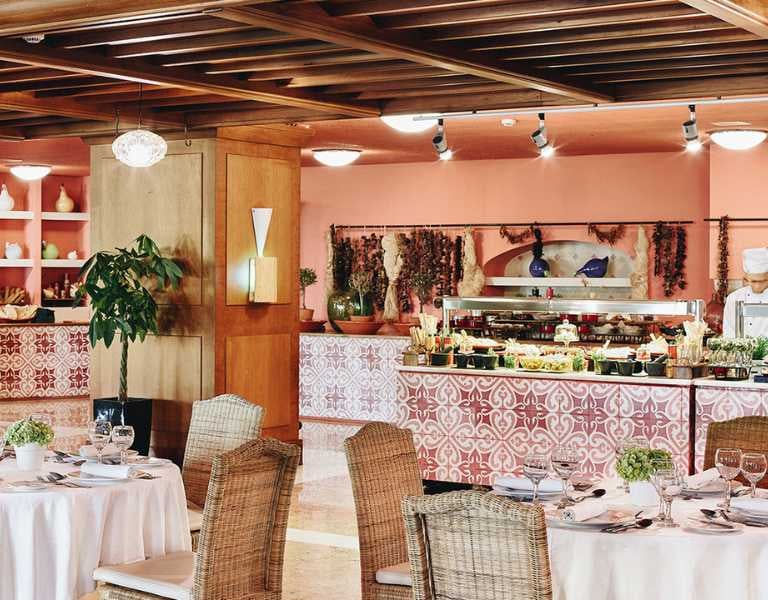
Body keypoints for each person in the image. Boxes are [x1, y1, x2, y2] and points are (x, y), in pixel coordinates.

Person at [723, 247, 768, 338]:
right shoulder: (734, 298)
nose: (757, 286)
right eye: (753, 281)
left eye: (762, 281)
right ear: (746, 279)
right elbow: (729, 332)